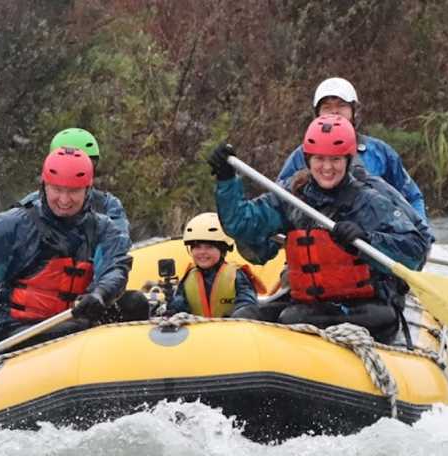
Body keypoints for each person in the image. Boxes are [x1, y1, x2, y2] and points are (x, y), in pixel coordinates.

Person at [208, 115, 431, 342]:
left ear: (347, 159)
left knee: (293, 318)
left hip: (368, 306)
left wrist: (367, 240)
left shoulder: (370, 200)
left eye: (335, 160)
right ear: (308, 159)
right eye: (319, 159)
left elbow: (415, 251)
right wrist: (227, 181)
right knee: (247, 315)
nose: (327, 167)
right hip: (307, 302)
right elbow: (241, 224)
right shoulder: (293, 197)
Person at [0, 147, 132, 376]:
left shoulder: (103, 229)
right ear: (43, 187)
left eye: (73, 191)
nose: (64, 200)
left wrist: (100, 294)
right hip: (15, 328)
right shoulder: (13, 227)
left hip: (74, 320)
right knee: (75, 330)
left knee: (136, 304)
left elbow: (115, 267)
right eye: (57, 189)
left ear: (88, 191)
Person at [277, 77, 429, 221]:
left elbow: (412, 197)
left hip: (373, 236)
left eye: (341, 106)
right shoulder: (301, 155)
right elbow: (280, 200)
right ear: (317, 114)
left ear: (354, 111)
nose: (334, 112)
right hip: (320, 237)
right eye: (327, 107)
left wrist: (422, 237)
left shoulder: (380, 152)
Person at [16, 128, 129, 235]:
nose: (64, 200)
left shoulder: (107, 205)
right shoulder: (27, 208)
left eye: (88, 164)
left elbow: (118, 243)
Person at [166, 212, 262, 317]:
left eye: (209, 247)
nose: (202, 252)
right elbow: (180, 304)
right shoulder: (189, 277)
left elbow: (247, 303)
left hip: (229, 330)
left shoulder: (237, 276)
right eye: (197, 247)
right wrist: (172, 306)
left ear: (223, 250)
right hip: (197, 331)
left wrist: (240, 313)